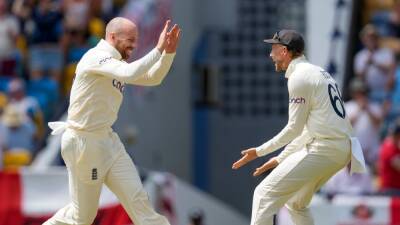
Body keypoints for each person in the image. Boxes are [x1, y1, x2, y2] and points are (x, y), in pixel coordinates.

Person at [43, 17, 180, 225]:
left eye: (136, 39)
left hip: (108, 140)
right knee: (82, 218)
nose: (134, 45)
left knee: (139, 202)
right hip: (84, 142)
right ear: (112, 37)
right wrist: (158, 49)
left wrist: (168, 53)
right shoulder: (95, 57)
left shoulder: (116, 64)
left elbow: (153, 78)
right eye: (130, 40)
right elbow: (131, 72)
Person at [232, 30, 365, 225]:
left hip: (326, 148)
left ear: (285, 51)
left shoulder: (299, 77)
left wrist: (259, 152)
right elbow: (306, 132)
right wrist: (280, 158)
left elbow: (294, 129)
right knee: (296, 203)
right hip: (341, 148)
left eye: (274, 49)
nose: (271, 55)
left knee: (263, 194)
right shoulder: (317, 72)